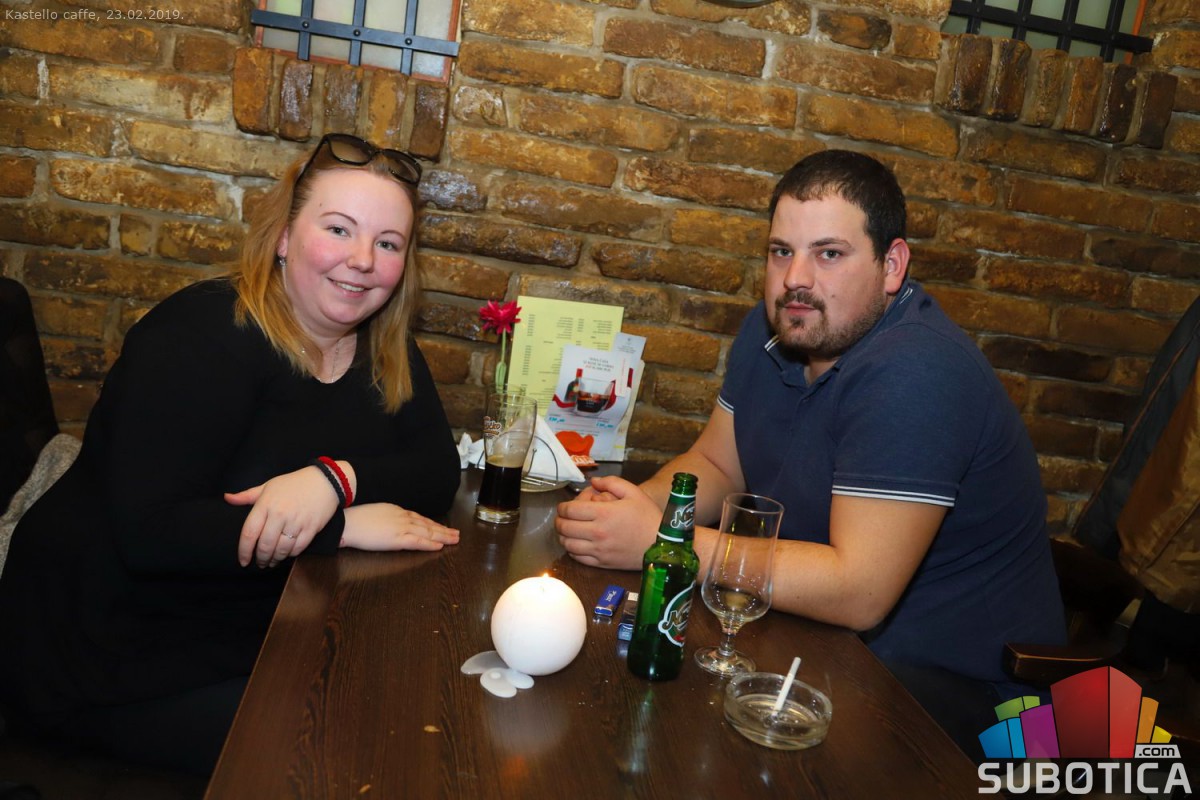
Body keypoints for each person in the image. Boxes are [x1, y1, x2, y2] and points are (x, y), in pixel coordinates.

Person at [555, 150, 1066, 756]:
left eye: (829, 254)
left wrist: (665, 543)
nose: (795, 278)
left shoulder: (917, 372)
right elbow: (718, 464)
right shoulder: (776, 327)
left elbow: (858, 591)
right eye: (781, 251)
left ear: (891, 265)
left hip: (969, 700)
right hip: (824, 646)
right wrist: (633, 509)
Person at [0, 133, 462, 775]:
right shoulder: (198, 337)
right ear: (284, 237)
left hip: (238, 618)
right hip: (107, 650)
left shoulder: (382, 344)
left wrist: (333, 480)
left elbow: (437, 469)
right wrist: (340, 526)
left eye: (388, 243)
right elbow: (152, 535)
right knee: (343, 751)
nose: (362, 260)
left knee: (401, 692)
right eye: (339, 229)